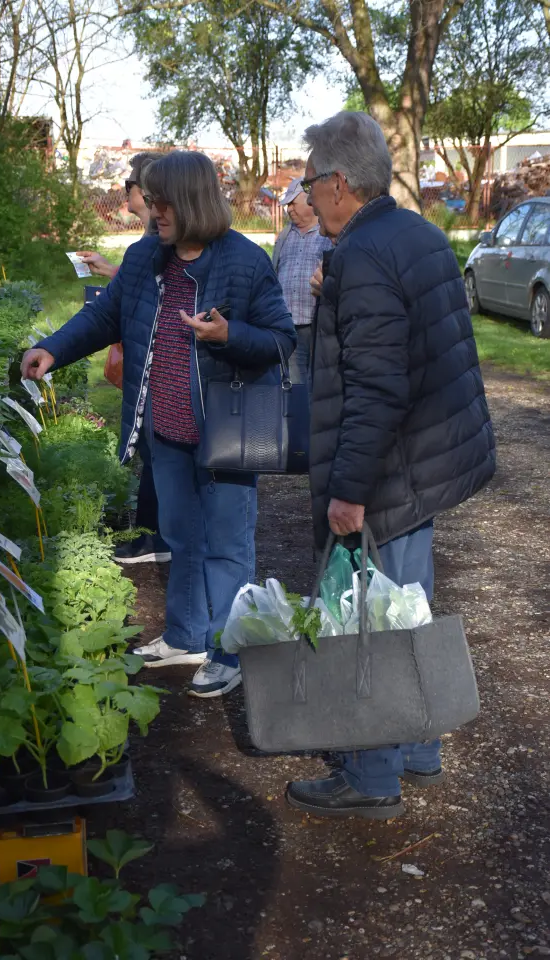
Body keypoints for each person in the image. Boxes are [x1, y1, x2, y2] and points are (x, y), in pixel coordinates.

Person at [21, 150, 295, 698]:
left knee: (227, 546)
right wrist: (53, 349)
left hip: (231, 430)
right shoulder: (148, 255)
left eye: (160, 200)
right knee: (180, 536)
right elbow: (105, 316)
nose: (150, 209)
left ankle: (227, 650)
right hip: (166, 428)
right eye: (149, 199)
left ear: (190, 201)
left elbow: (282, 339)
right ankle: (186, 635)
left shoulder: (243, 261)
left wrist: (227, 336)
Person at [286, 111, 496, 820]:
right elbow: (407, 346)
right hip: (424, 464)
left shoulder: (364, 256)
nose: (307, 193)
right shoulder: (416, 235)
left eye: (312, 180)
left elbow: (375, 386)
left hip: (389, 471)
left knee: (366, 618)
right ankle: (416, 745)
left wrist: (348, 490)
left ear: (341, 183)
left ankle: (372, 773)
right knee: (407, 607)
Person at [77, 152, 171, 566]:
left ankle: (158, 538)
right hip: (146, 369)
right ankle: (155, 535)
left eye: (131, 186)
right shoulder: (145, 245)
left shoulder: (159, 241)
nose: (127, 193)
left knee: (159, 450)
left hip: (160, 373)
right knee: (152, 451)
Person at [272, 177, 332, 385]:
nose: (289, 210)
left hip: (317, 325)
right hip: (288, 324)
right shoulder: (285, 235)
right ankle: (296, 417)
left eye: (292, 203)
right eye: (287, 205)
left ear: (309, 200)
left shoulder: (327, 233)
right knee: (293, 384)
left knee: (318, 381)